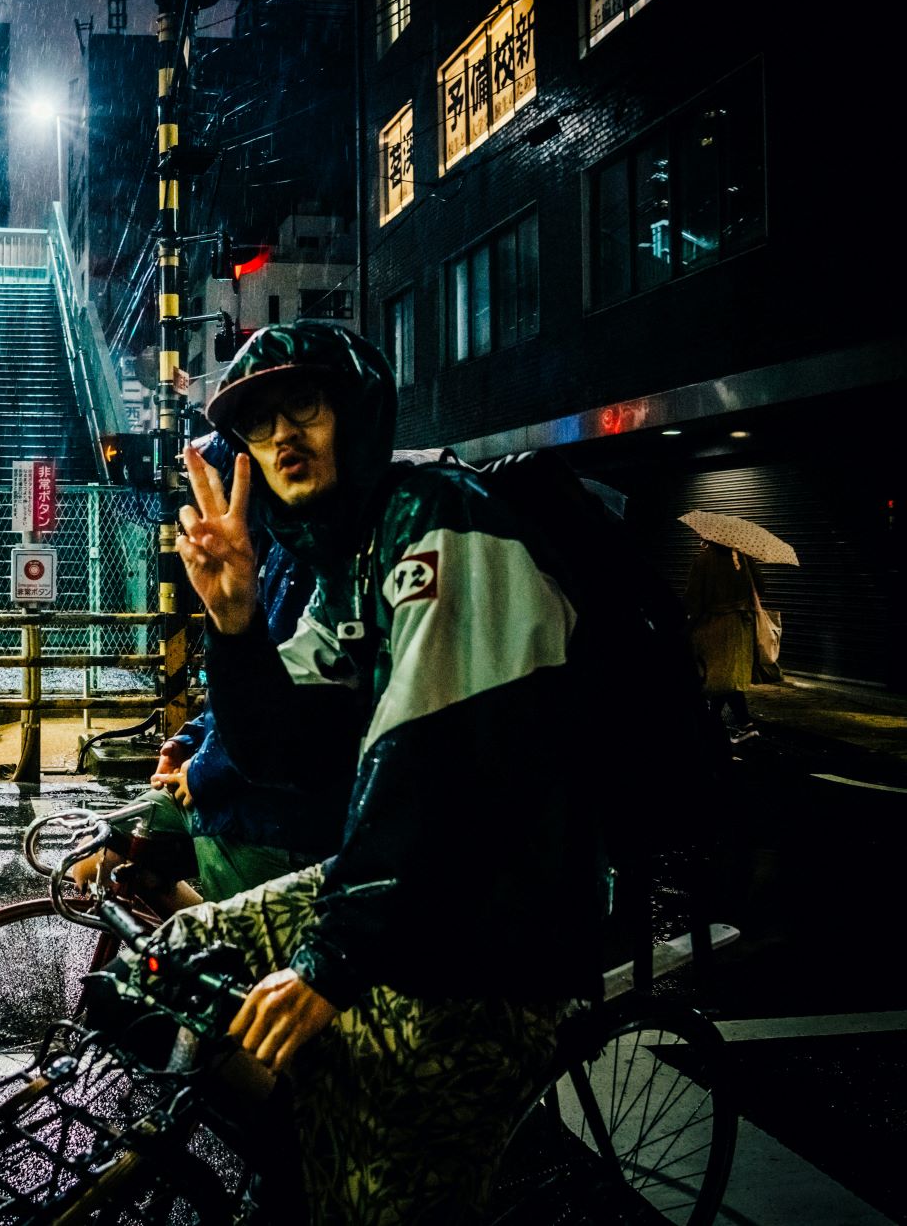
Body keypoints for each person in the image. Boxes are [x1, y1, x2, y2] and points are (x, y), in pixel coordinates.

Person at [165, 321, 609, 1224]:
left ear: (357, 414)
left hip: (505, 922)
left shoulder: (441, 519)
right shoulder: (344, 562)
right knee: (172, 964)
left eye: (307, 405)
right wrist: (238, 628)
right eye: (258, 423)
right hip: (419, 893)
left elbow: (432, 760)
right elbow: (285, 751)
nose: (283, 436)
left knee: (384, 1199)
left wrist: (331, 963)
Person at [70, 438, 362, 909]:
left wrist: (202, 771)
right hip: (236, 794)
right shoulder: (273, 555)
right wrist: (187, 742)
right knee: (98, 855)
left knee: (242, 960)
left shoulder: (317, 560)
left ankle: (214, 962)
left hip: (271, 816)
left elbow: (288, 709)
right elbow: (241, 685)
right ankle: (190, 956)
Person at [683, 541, 761, 741]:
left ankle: (741, 723)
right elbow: (761, 588)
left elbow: (693, 599)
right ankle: (714, 722)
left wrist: (687, 626)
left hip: (714, 627)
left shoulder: (704, 561)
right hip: (741, 627)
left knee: (714, 676)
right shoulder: (745, 559)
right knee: (726, 677)